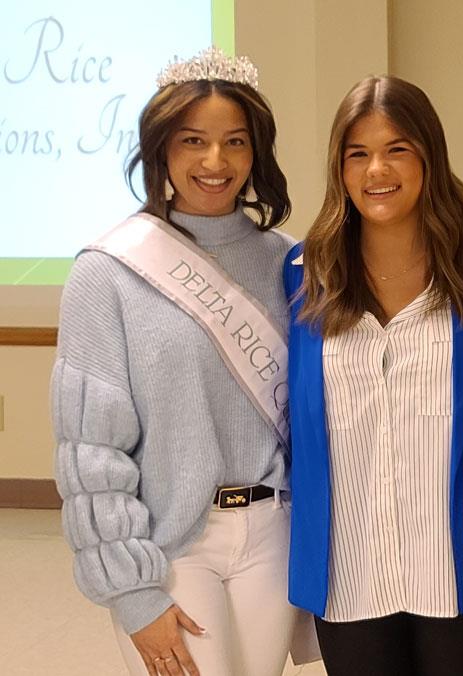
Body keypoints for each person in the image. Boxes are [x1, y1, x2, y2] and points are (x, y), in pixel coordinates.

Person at [51, 47, 301, 676]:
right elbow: (91, 455)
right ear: (161, 146)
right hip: (172, 543)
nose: (215, 162)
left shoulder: (291, 263)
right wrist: (132, 590)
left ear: (255, 152)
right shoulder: (107, 271)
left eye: (235, 142)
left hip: (274, 534)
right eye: (193, 140)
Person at [283, 75, 463, 676]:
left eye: (396, 149)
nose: (376, 169)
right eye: (356, 153)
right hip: (349, 569)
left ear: (429, 158)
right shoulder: (304, 277)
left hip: (462, 569)